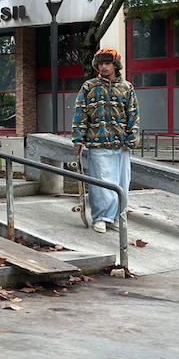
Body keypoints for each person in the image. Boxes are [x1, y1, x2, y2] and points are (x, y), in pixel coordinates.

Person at [72, 47, 140, 234]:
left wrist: (131, 138)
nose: (103, 67)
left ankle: (117, 216)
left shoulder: (127, 87)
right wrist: (78, 139)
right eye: (100, 63)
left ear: (115, 65)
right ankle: (101, 217)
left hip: (122, 143)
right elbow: (80, 113)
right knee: (101, 181)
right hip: (97, 141)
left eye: (107, 63)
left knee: (121, 182)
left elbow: (133, 114)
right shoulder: (89, 87)